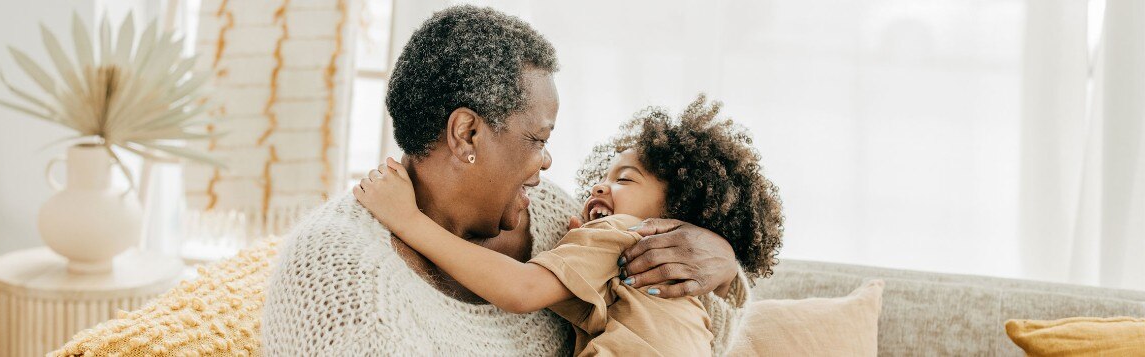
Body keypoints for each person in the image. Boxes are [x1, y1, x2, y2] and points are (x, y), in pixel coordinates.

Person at [262, 6, 749, 355]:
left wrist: (718, 265)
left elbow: (679, 329)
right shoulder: (342, 282)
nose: (548, 162)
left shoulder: (557, 216)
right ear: (466, 133)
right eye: (537, 139)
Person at [355, 95, 785, 356]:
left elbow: (522, 290)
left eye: (625, 179)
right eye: (607, 173)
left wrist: (407, 219)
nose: (601, 183)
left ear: (675, 214)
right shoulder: (684, 286)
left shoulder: (626, 232)